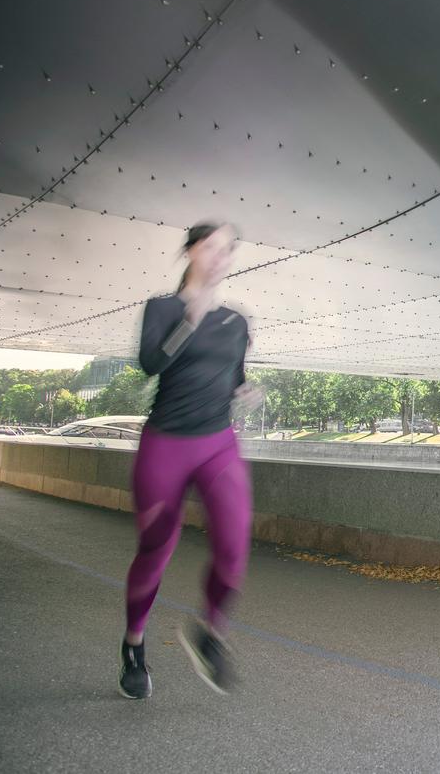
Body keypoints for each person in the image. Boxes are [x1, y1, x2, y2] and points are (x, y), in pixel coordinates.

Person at [118, 222, 263, 699]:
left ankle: (210, 634)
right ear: (190, 251)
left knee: (235, 546)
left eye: (229, 249)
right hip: (166, 444)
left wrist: (245, 390)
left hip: (218, 443)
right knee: (155, 549)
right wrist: (188, 321)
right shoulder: (162, 308)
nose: (221, 256)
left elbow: (234, 374)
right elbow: (150, 364)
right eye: (211, 246)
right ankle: (134, 644)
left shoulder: (237, 320)